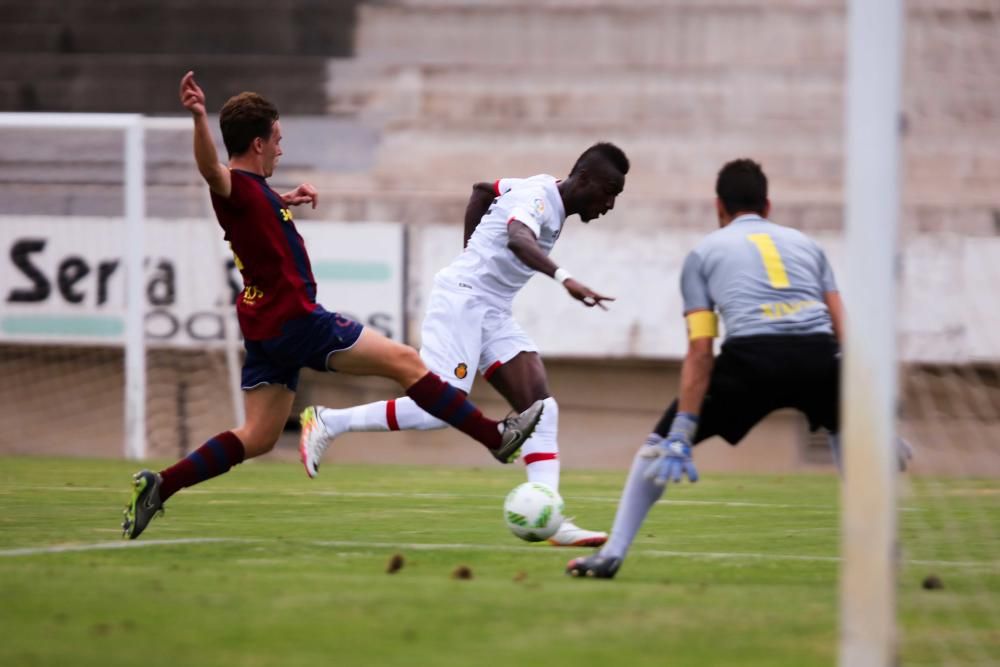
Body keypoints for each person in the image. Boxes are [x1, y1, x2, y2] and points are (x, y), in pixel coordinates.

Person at [121, 71, 545, 540]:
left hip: (265, 330)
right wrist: (200, 118)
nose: (281, 149)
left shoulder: (254, 194)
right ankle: (496, 438)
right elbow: (212, 171)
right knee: (407, 362)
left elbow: (252, 211)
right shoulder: (234, 187)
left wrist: (285, 202)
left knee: (259, 435)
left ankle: (162, 484)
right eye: (277, 140)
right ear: (258, 144)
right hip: (296, 321)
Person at [298, 142, 630, 547]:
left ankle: (551, 516)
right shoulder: (538, 197)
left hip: (491, 309)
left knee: (541, 408)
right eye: (609, 191)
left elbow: (482, 189)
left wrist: (470, 249)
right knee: (442, 406)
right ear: (585, 179)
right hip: (461, 301)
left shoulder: (542, 187)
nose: (610, 203)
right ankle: (328, 422)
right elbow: (518, 239)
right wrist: (565, 279)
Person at [566, 157, 847, 577]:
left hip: (755, 359)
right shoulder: (810, 247)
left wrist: (682, 428)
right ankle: (880, 549)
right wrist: (868, 413)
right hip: (819, 356)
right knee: (855, 447)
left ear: (719, 207)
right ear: (767, 206)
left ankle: (612, 555)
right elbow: (845, 329)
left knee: (654, 450)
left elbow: (701, 348)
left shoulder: (703, 254)